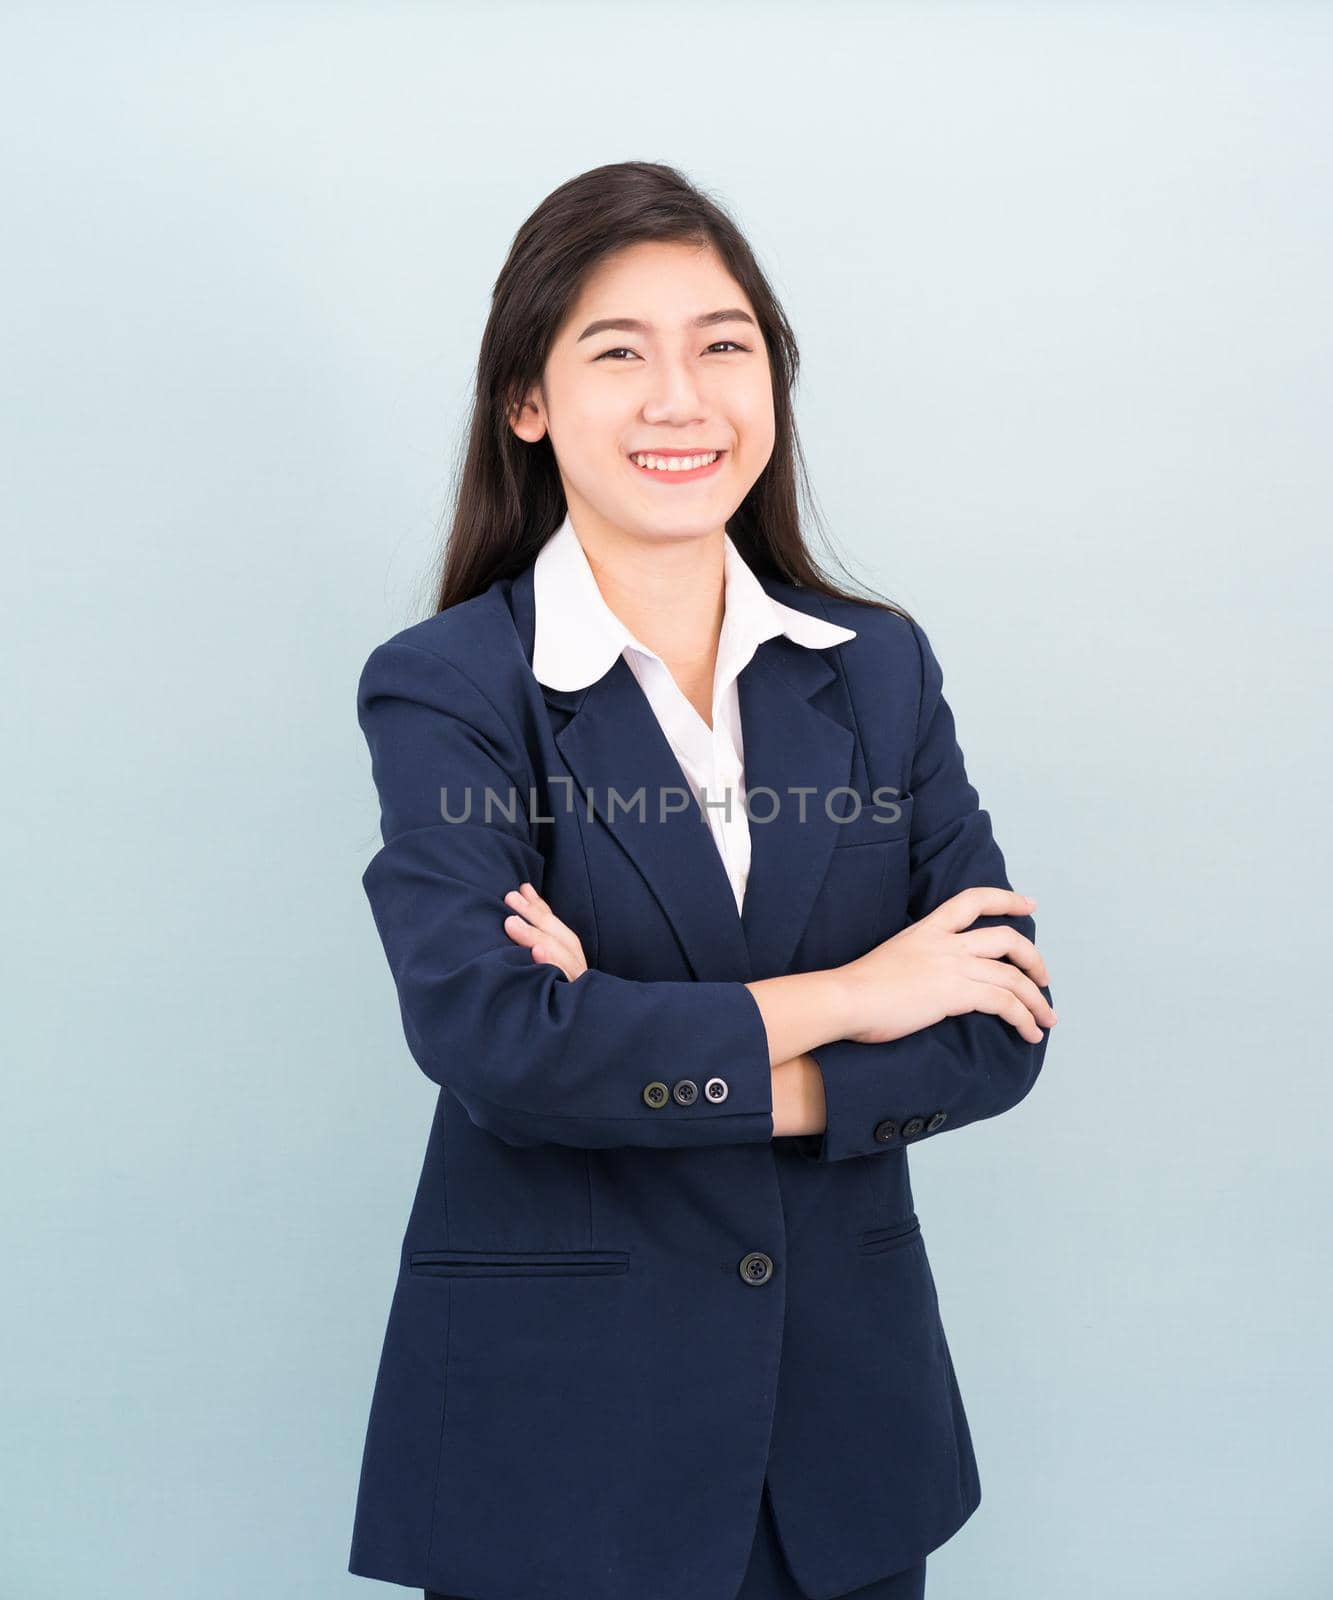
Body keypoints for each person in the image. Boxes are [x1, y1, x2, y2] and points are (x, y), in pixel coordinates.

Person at [348, 160, 1057, 1600]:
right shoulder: (450, 690)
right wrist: (857, 995)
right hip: (559, 1446)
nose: (682, 397)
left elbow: (992, 1027)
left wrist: (619, 1036)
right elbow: (492, 1045)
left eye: (722, 345)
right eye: (619, 351)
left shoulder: (879, 671)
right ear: (528, 402)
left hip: (845, 1440)